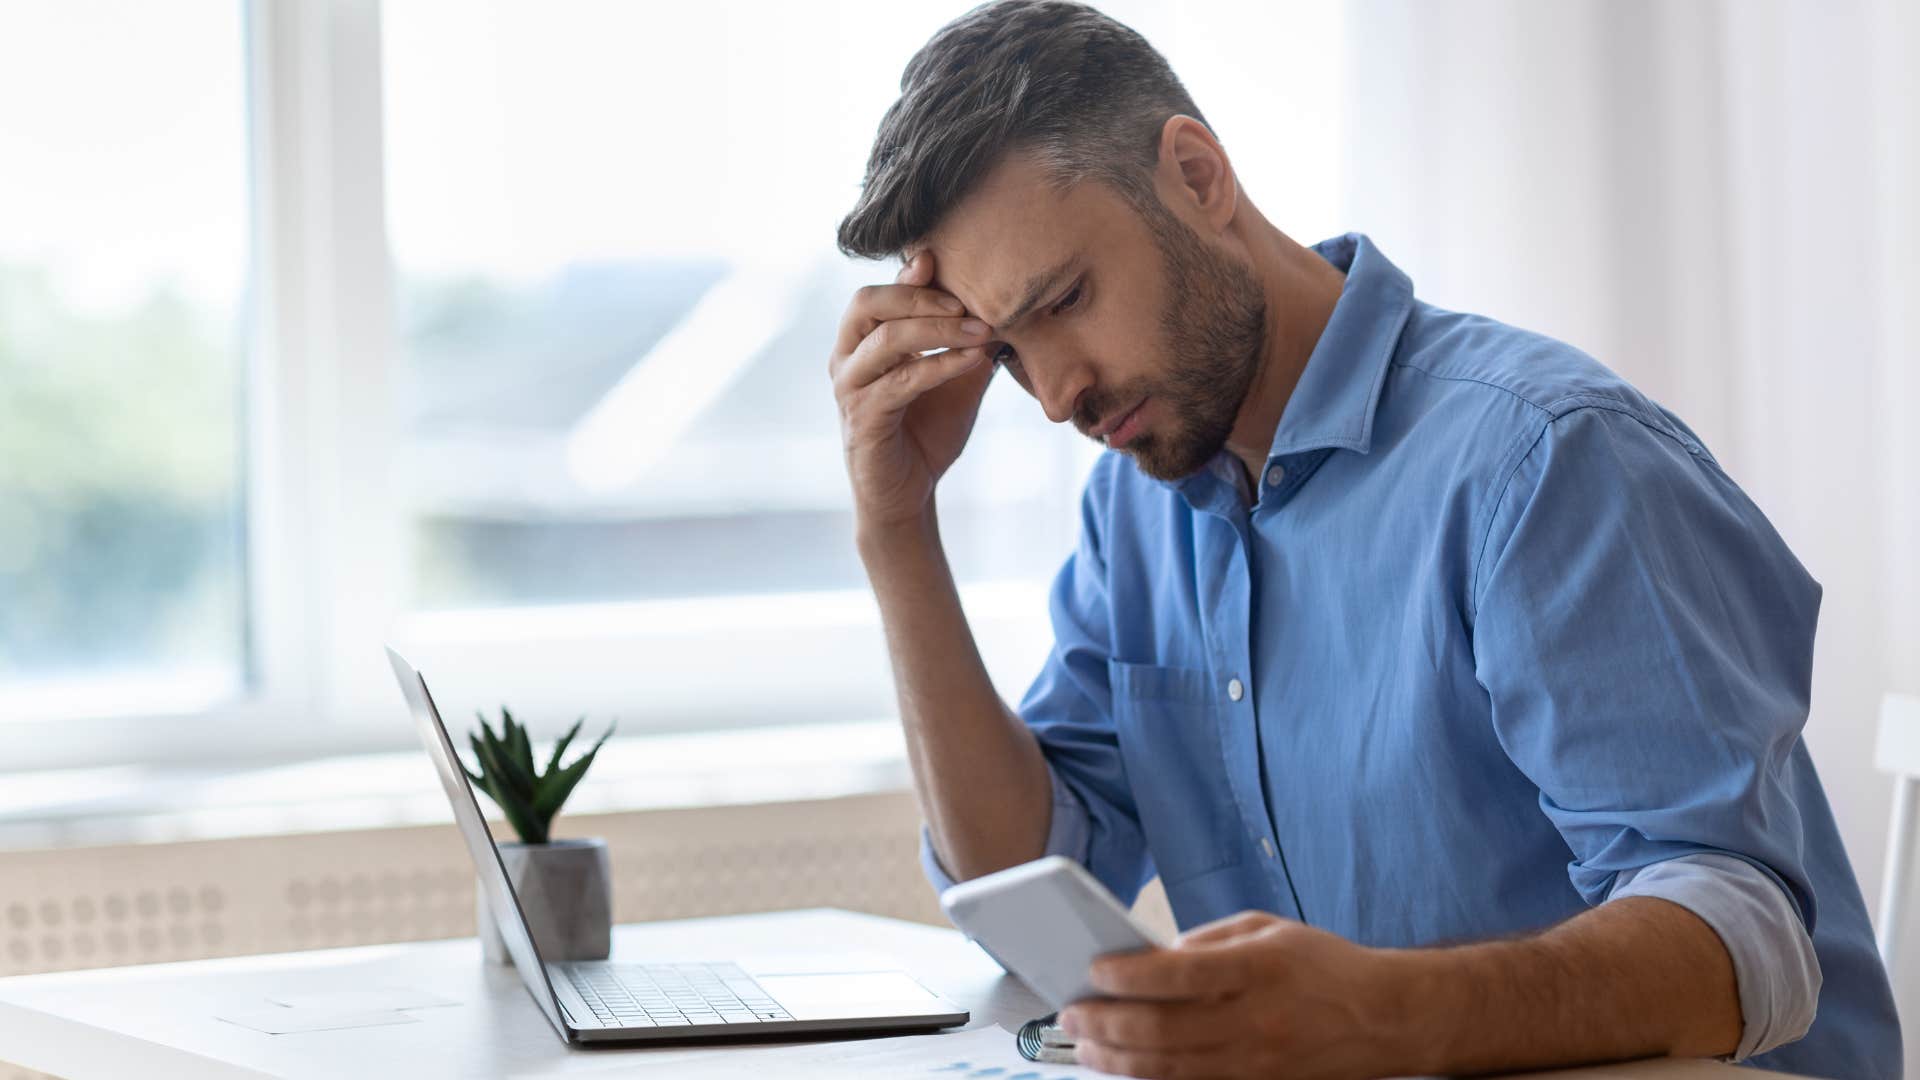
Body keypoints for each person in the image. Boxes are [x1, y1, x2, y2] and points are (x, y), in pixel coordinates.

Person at [824, 2, 1901, 1076]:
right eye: (1010, 354)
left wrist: (1377, 1018)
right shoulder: (1139, 507)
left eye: (1065, 301)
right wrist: (898, 527)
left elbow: (1747, 945)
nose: (1057, 396)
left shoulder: (1547, 460)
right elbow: (1028, 873)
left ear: (1197, 177)